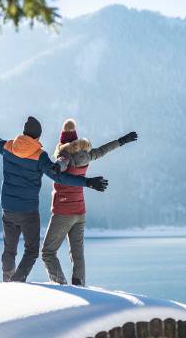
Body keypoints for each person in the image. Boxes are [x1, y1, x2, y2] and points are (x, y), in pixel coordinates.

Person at [0, 108, 108, 283]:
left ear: (24, 134)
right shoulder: (40, 156)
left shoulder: (8, 146)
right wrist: (87, 182)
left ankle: (7, 279)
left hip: (8, 209)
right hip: (28, 212)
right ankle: (16, 281)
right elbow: (59, 176)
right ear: (38, 137)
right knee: (32, 251)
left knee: (9, 250)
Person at [41, 118, 137, 286]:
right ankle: (80, 285)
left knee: (47, 252)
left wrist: (56, 166)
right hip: (80, 212)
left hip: (64, 211)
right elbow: (103, 150)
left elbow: (62, 163)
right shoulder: (87, 155)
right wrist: (122, 140)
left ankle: (61, 286)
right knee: (77, 254)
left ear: (62, 143)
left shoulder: (64, 155)